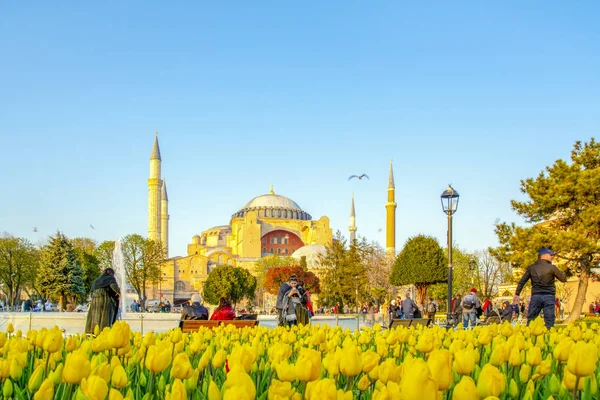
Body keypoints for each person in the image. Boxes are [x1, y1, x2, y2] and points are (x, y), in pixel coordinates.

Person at [514, 248, 567, 328]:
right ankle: (549, 336)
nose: (552, 257)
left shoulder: (532, 268)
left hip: (536, 296)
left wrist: (517, 294)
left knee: (532, 318)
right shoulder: (552, 267)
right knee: (549, 319)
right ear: (544, 256)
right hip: (548, 295)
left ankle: (529, 336)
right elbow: (563, 279)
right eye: (551, 255)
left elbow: (522, 281)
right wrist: (560, 272)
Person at [85, 268, 120, 334]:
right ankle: (103, 330)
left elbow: (91, 291)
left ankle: (93, 330)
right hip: (104, 296)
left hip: (95, 298)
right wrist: (120, 292)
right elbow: (113, 286)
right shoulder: (110, 278)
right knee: (105, 313)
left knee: (95, 314)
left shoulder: (97, 280)